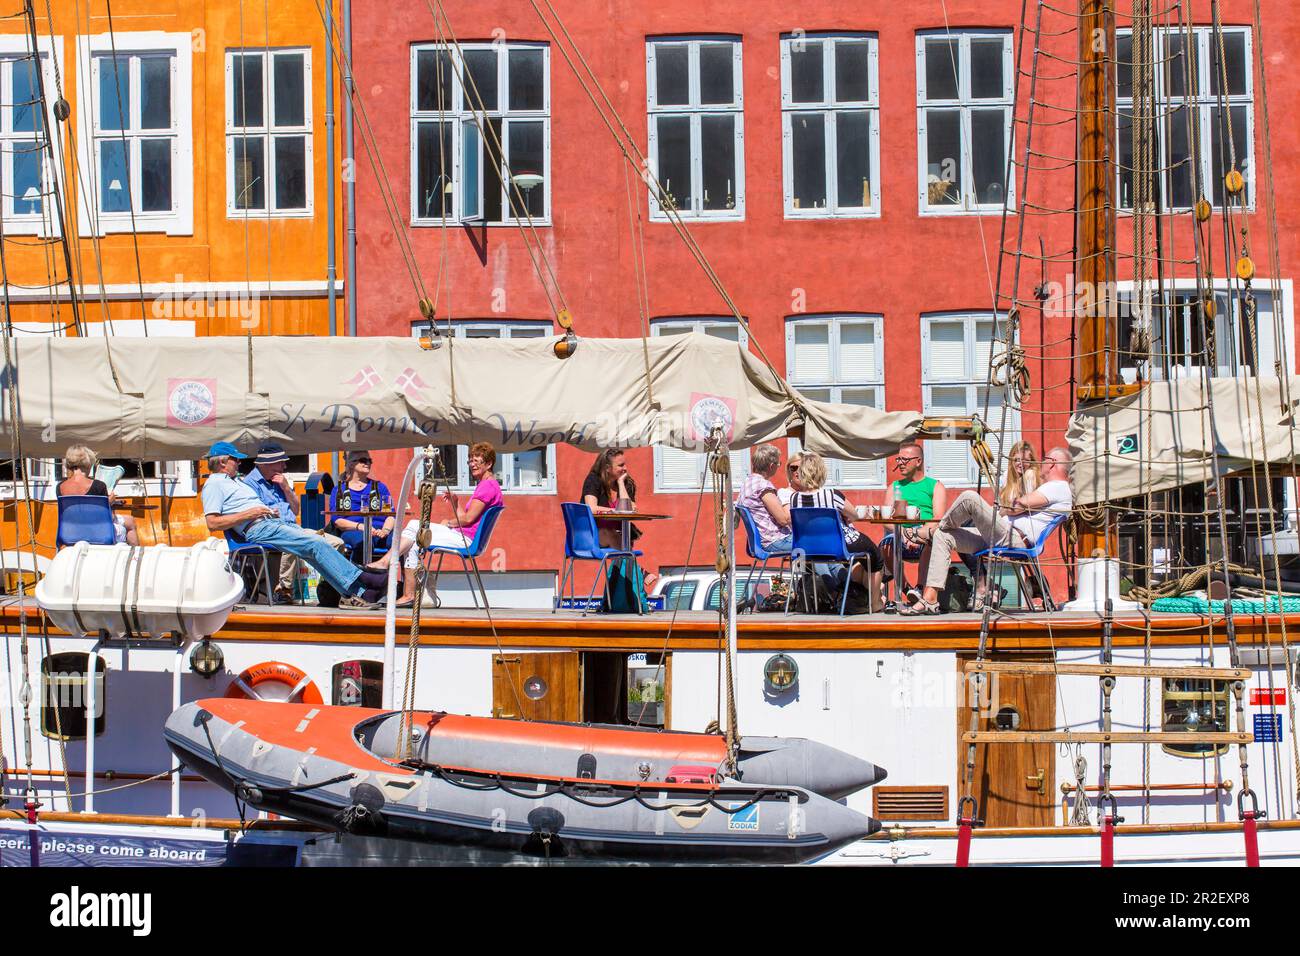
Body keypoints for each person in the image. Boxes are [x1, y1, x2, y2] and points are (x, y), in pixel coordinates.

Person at [202, 442, 389, 608]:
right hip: (258, 527)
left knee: (314, 547)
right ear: (223, 462)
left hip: (272, 522)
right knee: (315, 543)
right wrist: (250, 513)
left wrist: (267, 510)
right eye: (236, 459)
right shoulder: (214, 484)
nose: (240, 462)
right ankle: (362, 578)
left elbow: (294, 509)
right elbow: (212, 523)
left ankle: (353, 594)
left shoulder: (236, 482)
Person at [903, 447, 1073, 615]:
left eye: (1044, 459)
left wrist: (1009, 507)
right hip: (1000, 534)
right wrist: (1009, 508)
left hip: (1014, 537)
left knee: (969, 497)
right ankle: (930, 599)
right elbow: (1014, 507)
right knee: (944, 535)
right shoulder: (1051, 487)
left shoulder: (1057, 486)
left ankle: (928, 531)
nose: (1040, 462)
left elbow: (1018, 506)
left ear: (1052, 463)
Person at [369, 441, 504, 607]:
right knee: (413, 539)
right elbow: (467, 519)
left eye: (477, 461)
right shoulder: (488, 485)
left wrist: (449, 522)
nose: (472, 465)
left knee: (412, 527)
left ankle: (387, 564)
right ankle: (408, 593)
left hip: (466, 540)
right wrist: (456, 503)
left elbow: (468, 520)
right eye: (470, 460)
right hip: (466, 536)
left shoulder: (487, 486)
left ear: (489, 463)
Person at [244, 442, 347, 603]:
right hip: (272, 531)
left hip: (292, 528)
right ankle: (284, 590)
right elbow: (252, 514)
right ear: (267, 464)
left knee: (337, 542)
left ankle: (327, 588)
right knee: (292, 540)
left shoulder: (280, 481)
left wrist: (286, 488)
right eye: (281, 462)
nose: (284, 466)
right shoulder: (249, 484)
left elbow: (296, 509)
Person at [789, 451, 884, 612]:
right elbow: (854, 514)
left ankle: (862, 593)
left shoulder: (794, 498)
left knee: (862, 562)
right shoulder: (832, 495)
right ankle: (875, 604)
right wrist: (844, 517)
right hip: (838, 545)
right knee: (876, 558)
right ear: (821, 472)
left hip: (808, 548)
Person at [878, 442, 948, 604]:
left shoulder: (935, 486)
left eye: (905, 460)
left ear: (918, 461)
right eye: (898, 460)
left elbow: (938, 519)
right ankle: (906, 589)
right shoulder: (894, 487)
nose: (900, 463)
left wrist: (916, 534)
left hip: (924, 533)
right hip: (899, 534)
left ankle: (920, 588)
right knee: (886, 544)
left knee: (933, 539)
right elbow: (886, 519)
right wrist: (904, 533)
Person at [56, 445, 138, 545]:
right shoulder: (98, 486)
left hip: (70, 533)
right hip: (97, 533)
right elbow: (105, 517)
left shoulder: (60, 487)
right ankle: (135, 558)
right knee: (130, 523)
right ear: (88, 462)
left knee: (128, 520)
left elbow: (79, 513)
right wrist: (109, 502)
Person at [330, 450, 395, 561]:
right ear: (351, 464)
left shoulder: (380, 487)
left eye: (369, 460)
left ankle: (388, 574)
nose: (368, 463)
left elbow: (390, 515)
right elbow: (337, 521)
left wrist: (385, 530)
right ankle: (360, 576)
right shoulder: (340, 490)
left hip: (381, 530)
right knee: (363, 542)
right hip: (354, 530)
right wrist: (361, 527)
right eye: (363, 460)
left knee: (399, 541)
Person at [735, 444, 792, 555]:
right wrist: (791, 498)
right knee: (813, 544)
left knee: (813, 543)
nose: (778, 466)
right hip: (775, 541)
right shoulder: (763, 486)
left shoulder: (747, 482)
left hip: (762, 542)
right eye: (778, 464)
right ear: (771, 466)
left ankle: (827, 572)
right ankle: (826, 573)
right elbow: (783, 520)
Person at [999, 441, 1040, 511]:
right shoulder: (1006, 475)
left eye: (1026, 461)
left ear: (1031, 462)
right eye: (1018, 460)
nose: (1021, 464)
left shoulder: (1030, 475)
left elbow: (1022, 507)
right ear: (1011, 460)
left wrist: (1003, 512)